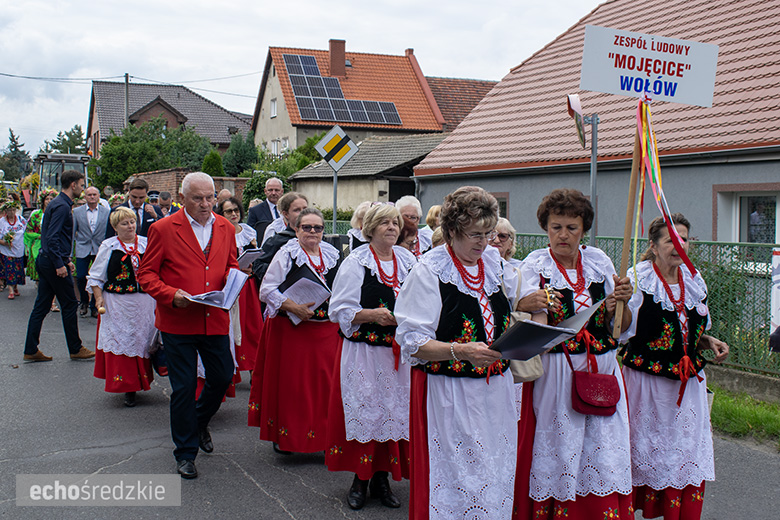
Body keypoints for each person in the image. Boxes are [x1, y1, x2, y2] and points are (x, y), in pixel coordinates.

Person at [395, 186, 519, 520]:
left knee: (494, 473)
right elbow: (412, 342)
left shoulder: (492, 265)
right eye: (474, 235)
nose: (483, 243)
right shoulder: (429, 272)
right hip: (450, 393)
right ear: (451, 232)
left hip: (496, 393)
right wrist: (460, 350)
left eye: (488, 234)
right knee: (458, 479)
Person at [513, 188, 633, 519]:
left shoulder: (600, 262)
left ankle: (599, 510)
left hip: (603, 367)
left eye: (571, 228)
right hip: (557, 370)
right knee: (560, 444)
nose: (563, 235)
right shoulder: (533, 266)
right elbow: (518, 318)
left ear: (584, 229)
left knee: (602, 445)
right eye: (556, 227)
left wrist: (619, 304)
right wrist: (526, 303)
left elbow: (620, 327)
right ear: (545, 228)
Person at [620, 214, 729, 520]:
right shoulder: (639, 279)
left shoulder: (694, 279)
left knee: (683, 455)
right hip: (647, 384)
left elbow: (690, 329)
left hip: (687, 386)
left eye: (684, 239)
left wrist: (708, 341)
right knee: (642, 452)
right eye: (670, 240)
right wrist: (619, 301)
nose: (679, 245)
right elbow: (623, 332)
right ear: (653, 246)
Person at [137, 171, 238, 480]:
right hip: (178, 321)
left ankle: (198, 421)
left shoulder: (225, 227)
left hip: (214, 318)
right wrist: (172, 295)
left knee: (221, 378)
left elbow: (231, 264)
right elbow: (146, 274)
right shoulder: (164, 228)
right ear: (182, 199)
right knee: (182, 389)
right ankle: (185, 453)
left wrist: (234, 282)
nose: (206, 204)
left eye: (210, 197)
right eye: (198, 198)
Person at [325, 204, 416, 510]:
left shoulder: (407, 260)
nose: (392, 227)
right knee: (368, 412)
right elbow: (338, 309)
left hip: (397, 354)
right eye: (385, 223)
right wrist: (373, 314)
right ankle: (359, 479)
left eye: (395, 223)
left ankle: (381, 478)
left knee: (392, 414)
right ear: (371, 228)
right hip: (365, 352)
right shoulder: (357, 262)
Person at [248, 208, 341, 456]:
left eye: (317, 228)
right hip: (292, 330)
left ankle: (322, 438)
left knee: (324, 386)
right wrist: (293, 307)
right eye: (306, 227)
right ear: (296, 229)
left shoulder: (332, 254)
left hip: (325, 332)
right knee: (294, 387)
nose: (312, 232)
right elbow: (266, 290)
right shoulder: (287, 253)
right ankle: (287, 436)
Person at [88, 207, 158, 408]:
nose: (130, 226)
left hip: (145, 303)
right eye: (125, 223)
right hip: (118, 304)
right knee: (124, 339)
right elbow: (96, 276)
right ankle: (128, 388)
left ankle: (142, 380)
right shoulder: (109, 246)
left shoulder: (146, 244)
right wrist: (99, 298)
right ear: (115, 227)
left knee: (144, 340)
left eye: (133, 222)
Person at [24, 170, 95, 362]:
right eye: (81, 185)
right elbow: (52, 237)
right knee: (70, 304)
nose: (82, 188)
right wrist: (59, 263)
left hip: (48, 260)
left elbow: (52, 237)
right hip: (51, 262)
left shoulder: (57, 204)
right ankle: (75, 348)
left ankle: (30, 349)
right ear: (72, 185)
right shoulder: (62, 206)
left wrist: (66, 260)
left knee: (42, 305)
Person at [215, 197, 262, 375]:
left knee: (253, 327)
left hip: (249, 286)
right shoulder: (220, 233)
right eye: (229, 211)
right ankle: (233, 369)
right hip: (231, 286)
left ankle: (253, 368)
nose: (234, 214)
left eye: (236, 210)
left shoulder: (249, 231)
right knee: (234, 327)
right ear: (222, 214)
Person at [251, 192, 308, 281]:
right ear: (286, 214)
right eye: (297, 210)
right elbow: (258, 265)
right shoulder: (277, 241)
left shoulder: (319, 238)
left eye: (305, 209)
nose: (303, 213)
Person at [73, 186, 110, 318]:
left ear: (99, 196)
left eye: (94, 194)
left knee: (98, 277)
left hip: (99, 248)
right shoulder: (77, 212)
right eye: (89, 195)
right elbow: (73, 232)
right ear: (85, 197)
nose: (92, 197)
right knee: (82, 276)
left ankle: (95, 304)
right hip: (83, 247)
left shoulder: (106, 212)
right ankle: (83, 301)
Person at [24, 188, 59, 311]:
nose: (49, 201)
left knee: (53, 275)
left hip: (54, 247)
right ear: (43, 201)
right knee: (41, 277)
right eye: (47, 199)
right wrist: (40, 236)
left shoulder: (57, 213)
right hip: (38, 247)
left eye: (51, 199)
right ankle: (43, 299)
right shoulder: (36, 214)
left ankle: (52, 303)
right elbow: (28, 231)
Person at [0, 199, 27, 299]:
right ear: (5, 211)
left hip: (19, 249)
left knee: (18, 269)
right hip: (7, 251)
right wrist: (5, 242)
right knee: (9, 269)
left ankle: (15, 287)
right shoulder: (2, 222)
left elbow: (27, 231)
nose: (11, 212)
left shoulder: (21, 220)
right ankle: (11, 290)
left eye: (13, 210)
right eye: (9, 210)